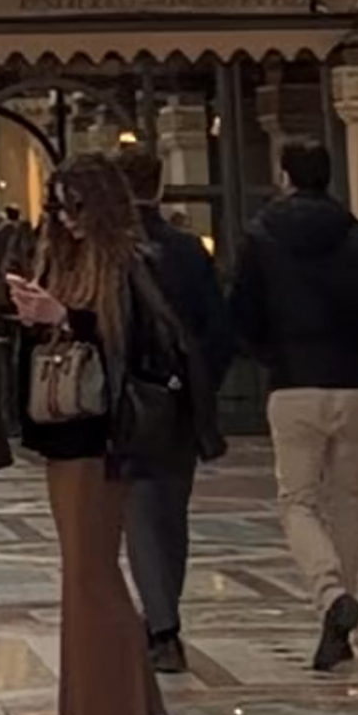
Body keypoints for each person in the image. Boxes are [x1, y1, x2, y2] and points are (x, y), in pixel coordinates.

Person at [5, 161, 182, 715]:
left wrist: (64, 318)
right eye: (55, 208)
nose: (63, 220)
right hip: (64, 435)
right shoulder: (64, 260)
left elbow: (130, 344)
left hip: (102, 438)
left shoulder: (126, 264)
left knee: (94, 577)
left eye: (74, 207)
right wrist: (36, 320)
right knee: (81, 580)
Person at [228, 137, 358, 670]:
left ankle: (331, 596)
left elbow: (242, 312)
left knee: (299, 501)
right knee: (346, 501)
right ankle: (340, 628)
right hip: (352, 381)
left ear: (285, 176)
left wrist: (263, 352)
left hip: (293, 382)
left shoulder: (260, 235)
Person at [121, 198, 232, 670]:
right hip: (182, 399)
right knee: (171, 511)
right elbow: (219, 325)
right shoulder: (188, 250)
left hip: (135, 400)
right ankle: (164, 613)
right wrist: (201, 380)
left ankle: (163, 627)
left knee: (142, 512)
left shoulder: (117, 254)